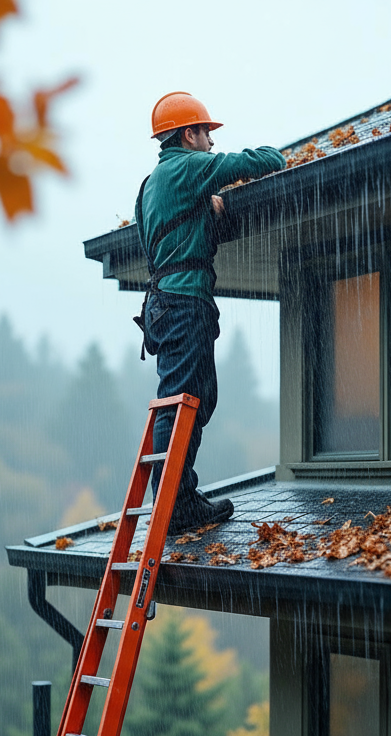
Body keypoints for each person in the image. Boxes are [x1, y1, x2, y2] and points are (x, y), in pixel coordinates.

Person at [133, 91, 285, 535]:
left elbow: (160, 245)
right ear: (187, 134)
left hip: (162, 304)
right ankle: (176, 505)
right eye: (205, 133)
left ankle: (178, 494)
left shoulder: (150, 186)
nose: (211, 143)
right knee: (184, 403)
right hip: (185, 303)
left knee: (192, 398)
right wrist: (276, 154)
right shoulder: (188, 167)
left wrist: (206, 206)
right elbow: (253, 163)